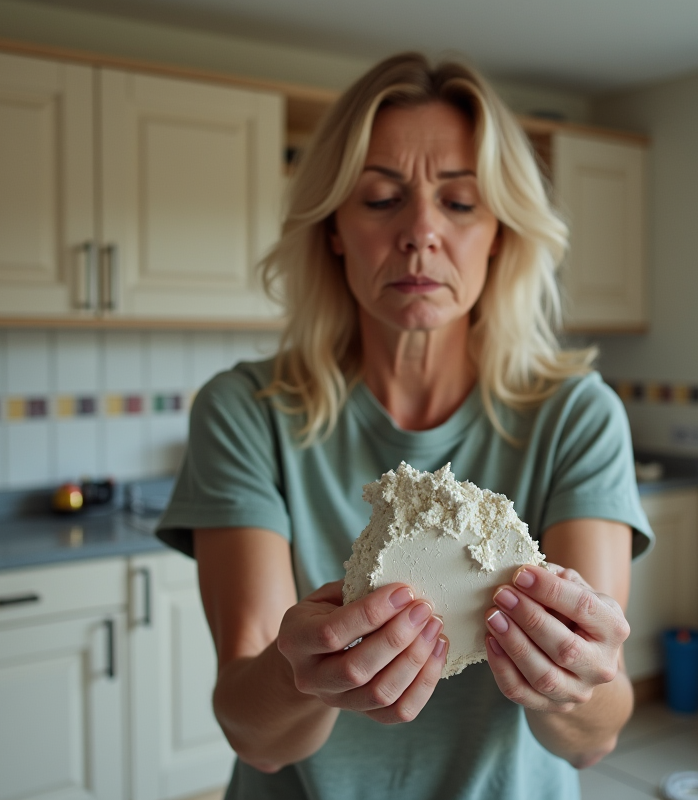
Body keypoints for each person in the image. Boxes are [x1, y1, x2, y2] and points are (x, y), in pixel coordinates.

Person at [156, 51, 653, 800]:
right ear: (332, 228)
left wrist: (572, 682)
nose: (421, 231)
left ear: (499, 234)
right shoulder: (245, 412)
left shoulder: (576, 417)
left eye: (459, 203)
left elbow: (592, 739)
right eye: (382, 198)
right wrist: (303, 676)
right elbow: (255, 736)